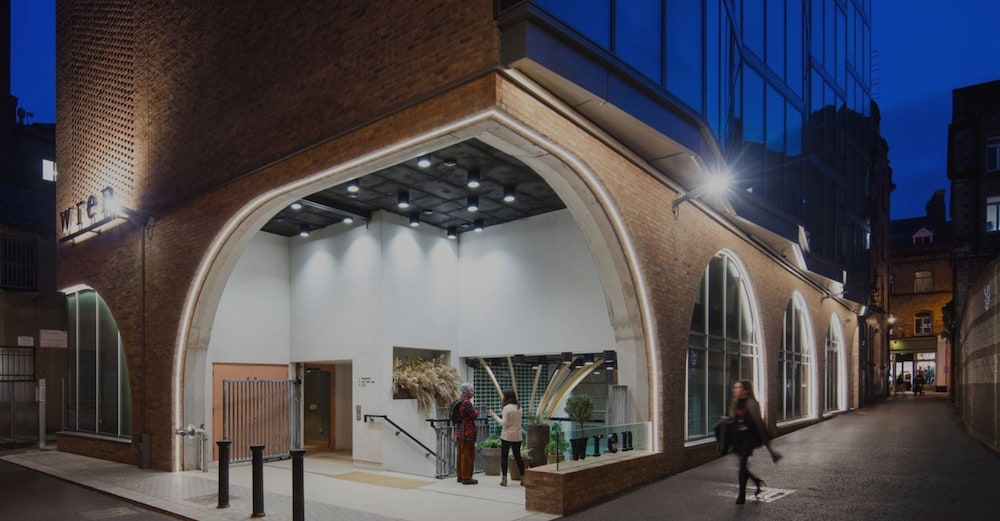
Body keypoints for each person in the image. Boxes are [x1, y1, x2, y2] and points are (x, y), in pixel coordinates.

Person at [727, 379, 781, 504]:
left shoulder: (752, 404)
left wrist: (769, 448)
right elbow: (733, 419)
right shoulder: (734, 402)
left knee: (742, 466)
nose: (735, 390)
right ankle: (756, 482)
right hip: (737, 439)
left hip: (748, 439)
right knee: (743, 466)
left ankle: (741, 495)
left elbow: (759, 424)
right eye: (735, 387)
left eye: (738, 387)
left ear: (745, 390)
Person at [488, 388, 525, 487]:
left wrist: (494, 416)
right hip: (517, 435)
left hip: (507, 436)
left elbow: (504, 423)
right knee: (518, 457)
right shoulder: (519, 407)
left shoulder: (507, 408)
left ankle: (504, 480)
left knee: (504, 457)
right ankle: (523, 478)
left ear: (506, 397)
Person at [454, 382, 479, 485]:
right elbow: (474, 415)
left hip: (459, 431)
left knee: (460, 454)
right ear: (467, 391)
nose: (473, 393)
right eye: (472, 391)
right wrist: (476, 411)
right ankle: (466, 477)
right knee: (467, 455)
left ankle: (460, 476)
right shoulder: (467, 402)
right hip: (467, 431)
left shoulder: (459, 400)